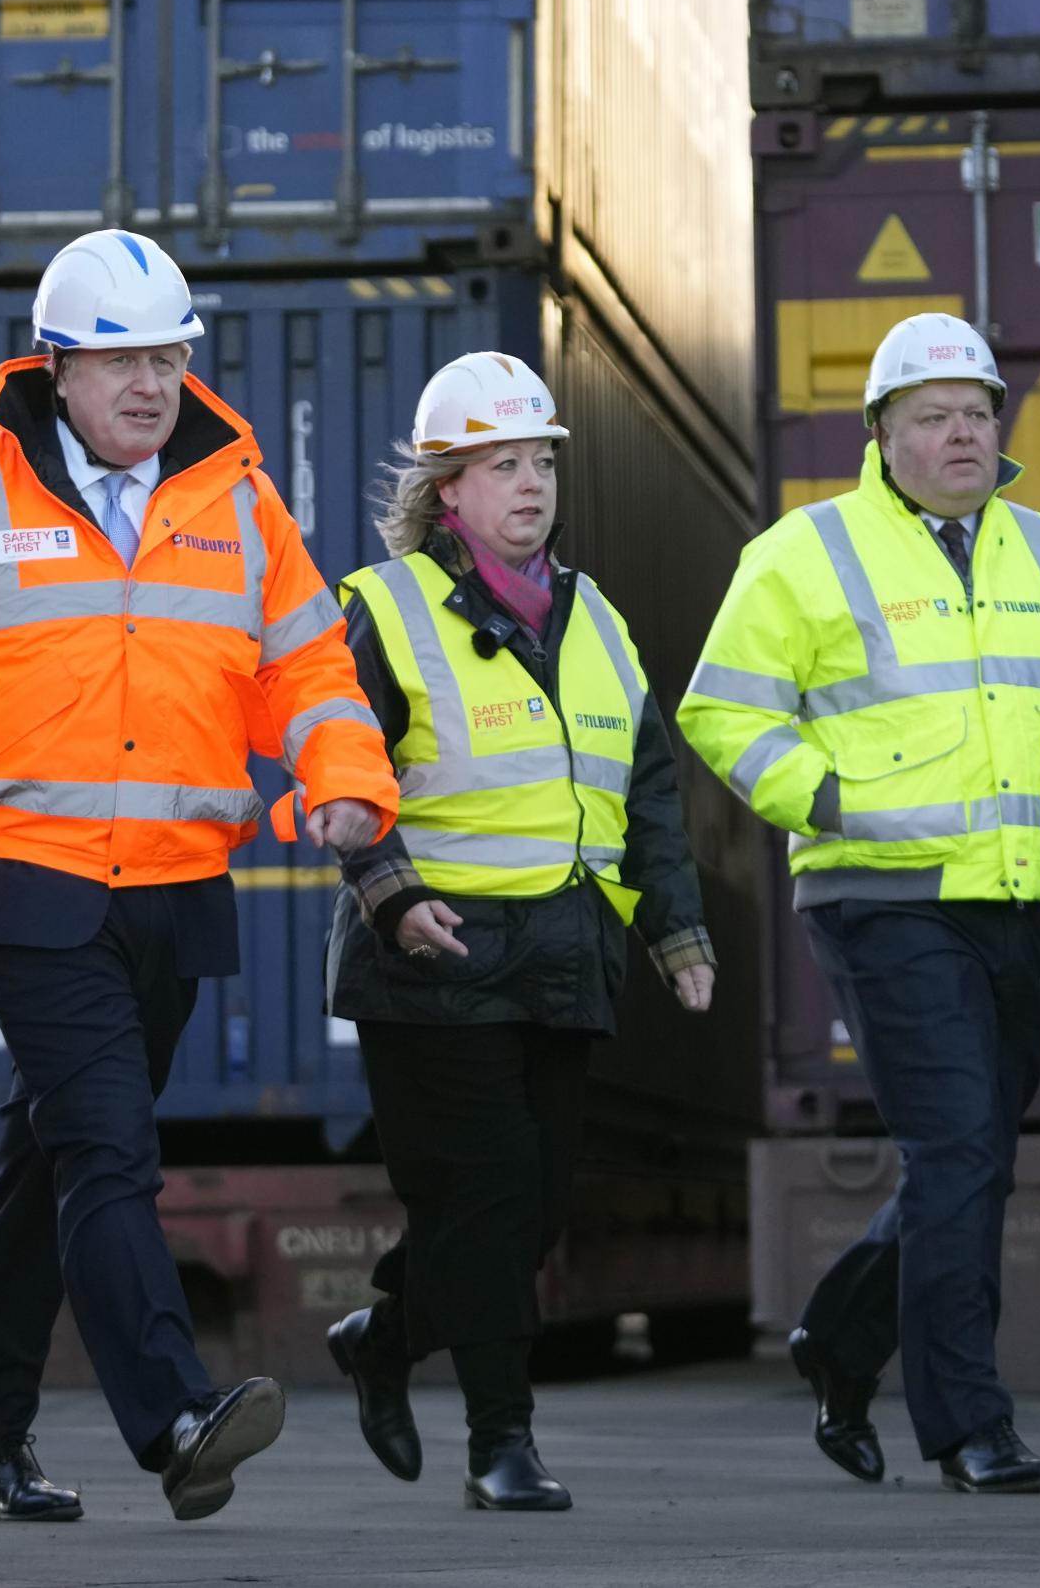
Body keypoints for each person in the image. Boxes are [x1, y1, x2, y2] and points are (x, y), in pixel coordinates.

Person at [0, 228, 398, 1523]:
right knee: (108, 1145)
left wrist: (347, 778)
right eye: (121, 360)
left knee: (49, 1158)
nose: (150, 383)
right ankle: (175, 1414)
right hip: (22, 878)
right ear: (56, 368)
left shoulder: (237, 505)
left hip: (178, 888)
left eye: (169, 356)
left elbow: (306, 670)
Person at [678, 311, 1040, 1493]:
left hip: (1008, 900)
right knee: (960, 1146)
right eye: (932, 417)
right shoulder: (803, 551)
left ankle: (840, 1338)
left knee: (968, 1160)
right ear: (881, 435)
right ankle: (970, 1423)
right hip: (878, 896)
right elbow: (721, 709)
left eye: (977, 414)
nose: (961, 434)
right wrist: (825, 797)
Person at [320, 352, 716, 1513]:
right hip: (430, 956)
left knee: (532, 1208)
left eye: (541, 458)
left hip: (562, 954)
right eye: (504, 463)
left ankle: (388, 1336)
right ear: (450, 487)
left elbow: (648, 787)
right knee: (489, 1198)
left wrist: (677, 934)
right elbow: (343, 767)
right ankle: (505, 1441)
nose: (532, 482)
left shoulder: (597, 618)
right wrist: (388, 885)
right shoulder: (382, 607)